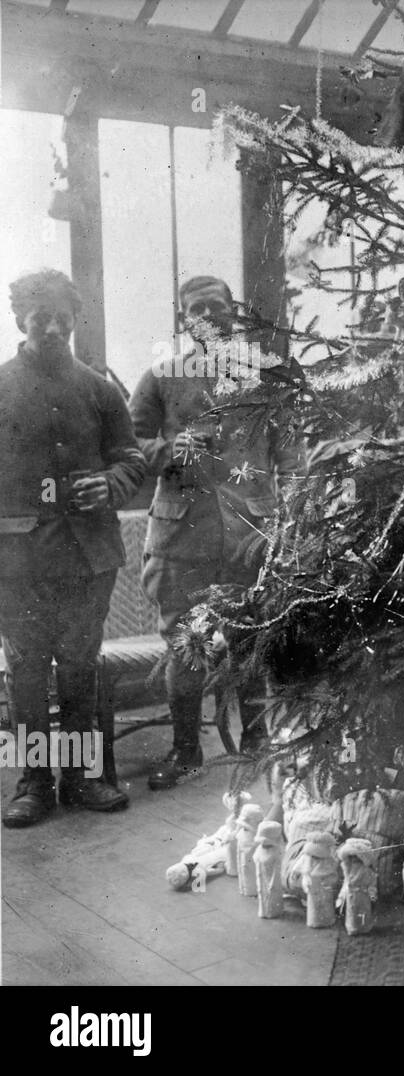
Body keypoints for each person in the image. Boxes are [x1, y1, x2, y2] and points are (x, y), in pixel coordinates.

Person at [130, 275, 300, 790]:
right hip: (183, 536)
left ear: (234, 311)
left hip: (250, 531)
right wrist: (177, 449)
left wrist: (290, 517)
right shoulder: (161, 376)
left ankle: (256, 746)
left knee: (251, 638)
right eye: (196, 309)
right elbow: (132, 447)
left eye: (218, 307)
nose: (209, 316)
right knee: (187, 643)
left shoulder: (268, 374)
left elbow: (291, 454)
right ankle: (186, 752)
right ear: (184, 319)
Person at [0, 270, 146, 827]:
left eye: (64, 316)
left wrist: (108, 484)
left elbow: (131, 460)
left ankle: (83, 779)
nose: (55, 327)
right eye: (43, 316)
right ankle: (34, 784)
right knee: (27, 672)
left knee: (80, 667)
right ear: (21, 320)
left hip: (88, 557)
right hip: (17, 563)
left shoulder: (100, 390)